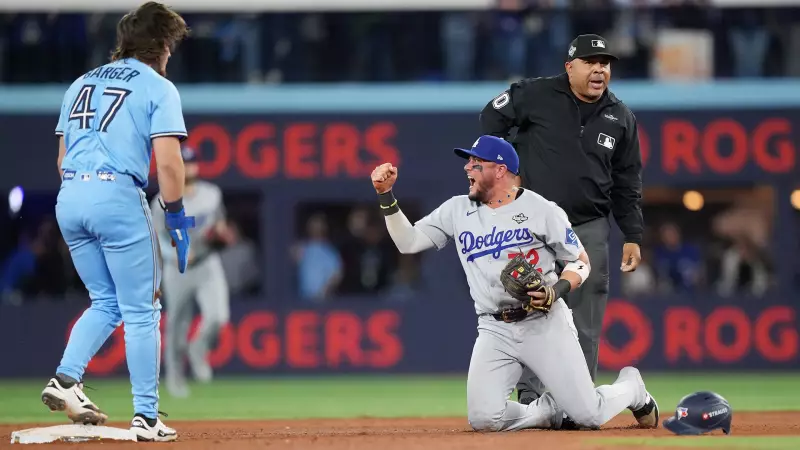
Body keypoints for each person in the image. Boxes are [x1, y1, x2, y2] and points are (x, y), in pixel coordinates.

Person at [369, 135, 658, 432]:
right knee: (483, 418)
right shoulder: (457, 210)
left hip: (543, 321)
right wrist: (386, 196)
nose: (468, 167)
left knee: (589, 416)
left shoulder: (541, 209)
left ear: (499, 170)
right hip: (495, 328)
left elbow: (581, 262)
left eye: (476, 163)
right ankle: (549, 411)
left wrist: (555, 290)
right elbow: (408, 242)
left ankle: (632, 387)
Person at [40, 1, 192, 442]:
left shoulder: (79, 83)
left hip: (70, 196)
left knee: (106, 302)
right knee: (143, 310)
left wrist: (85, 194)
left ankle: (65, 381)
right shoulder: (158, 87)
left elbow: (63, 158)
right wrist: (177, 214)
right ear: (162, 44)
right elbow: (168, 163)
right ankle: (146, 417)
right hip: (116, 196)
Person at [479, 34, 644, 408]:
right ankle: (529, 397)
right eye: (590, 61)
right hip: (534, 226)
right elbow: (491, 118)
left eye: (605, 63)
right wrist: (504, 170)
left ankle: (578, 399)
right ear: (570, 67)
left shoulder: (620, 117)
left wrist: (632, 233)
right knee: (528, 311)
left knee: (585, 315)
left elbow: (628, 181)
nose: (600, 68)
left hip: (588, 226)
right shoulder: (534, 94)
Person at [150, 146, 234, 398]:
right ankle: (175, 379)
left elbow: (219, 225)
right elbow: (159, 240)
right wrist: (178, 255)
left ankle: (198, 348)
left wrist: (221, 235)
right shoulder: (162, 201)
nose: (189, 168)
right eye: (184, 163)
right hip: (179, 269)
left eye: (192, 162)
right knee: (177, 324)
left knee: (219, 317)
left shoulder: (212, 194)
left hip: (208, 263)